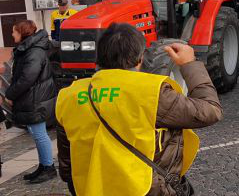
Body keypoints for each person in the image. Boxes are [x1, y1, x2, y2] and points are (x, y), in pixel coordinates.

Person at [56, 23, 223, 195]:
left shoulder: (69, 95)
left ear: (99, 56)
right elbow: (210, 110)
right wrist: (189, 64)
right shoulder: (152, 93)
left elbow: (67, 164)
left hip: (91, 189)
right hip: (144, 189)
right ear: (140, 58)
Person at [2, 20, 57, 184]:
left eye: (14, 32)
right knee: (37, 133)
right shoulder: (28, 49)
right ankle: (44, 165)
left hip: (35, 100)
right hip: (32, 98)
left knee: (39, 134)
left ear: (22, 33)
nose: (12, 34)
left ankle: (48, 167)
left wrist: (10, 94)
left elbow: (27, 78)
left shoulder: (33, 51)